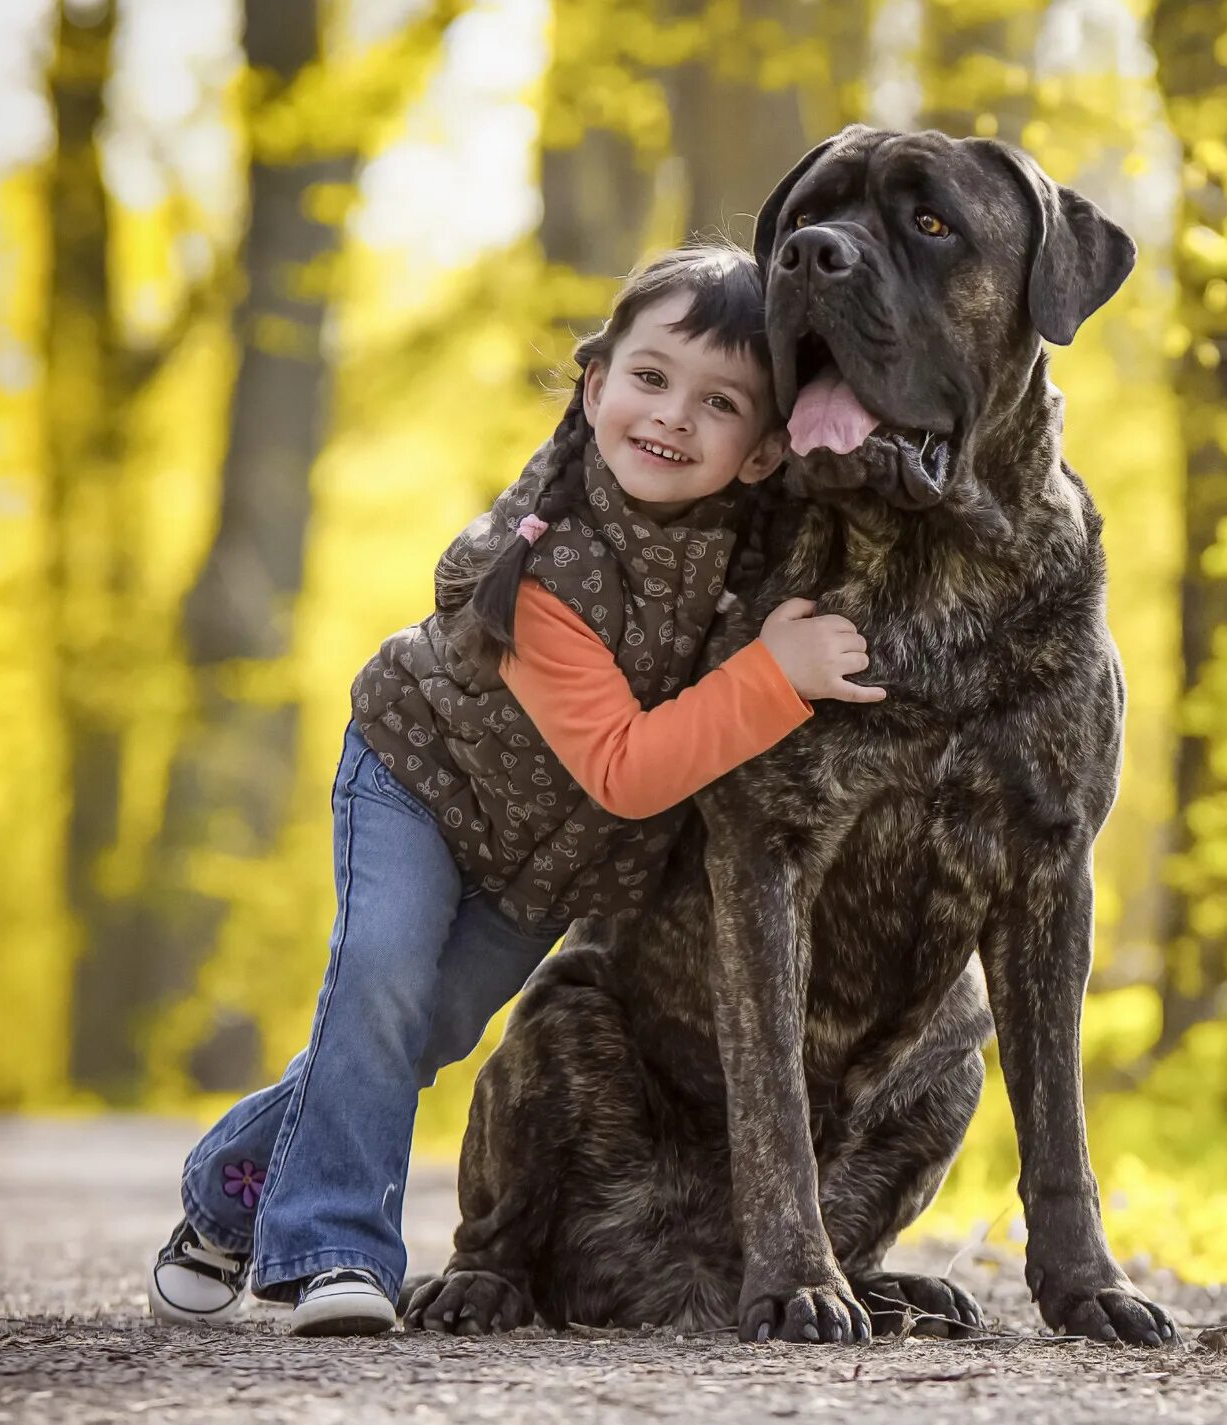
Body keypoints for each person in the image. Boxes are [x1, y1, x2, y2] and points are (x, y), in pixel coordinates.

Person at [146, 243, 880, 1336]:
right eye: (648, 378)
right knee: (382, 980)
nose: (672, 417)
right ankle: (335, 1251)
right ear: (594, 386)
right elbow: (629, 772)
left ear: (767, 450)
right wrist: (775, 676)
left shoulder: (754, 554)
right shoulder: (540, 563)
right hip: (422, 783)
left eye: (718, 402)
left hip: (547, 860)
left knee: (421, 1031)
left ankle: (224, 1194)